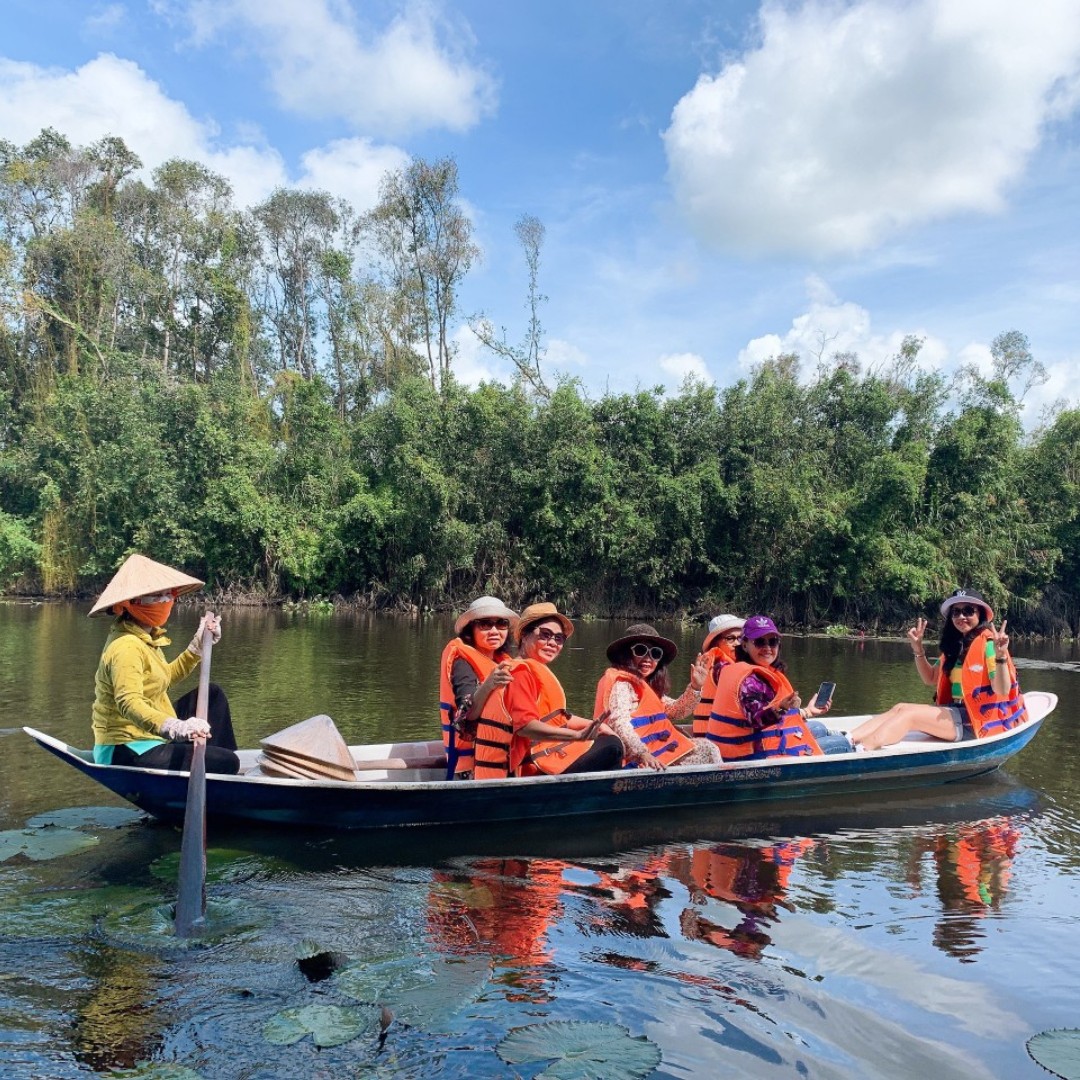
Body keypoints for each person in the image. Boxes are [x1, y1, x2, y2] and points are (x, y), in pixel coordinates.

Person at [89, 553, 239, 774]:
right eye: (155, 597)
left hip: (147, 732)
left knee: (213, 695)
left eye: (167, 595)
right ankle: (215, 766)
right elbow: (129, 703)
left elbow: (163, 679)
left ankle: (210, 769)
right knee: (228, 762)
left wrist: (196, 648)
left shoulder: (145, 638)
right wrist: (174, 727)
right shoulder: (126, 646)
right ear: (130, 604)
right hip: (128, 746)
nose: (164, 602)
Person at [849, 589, 1025, 751]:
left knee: (910, 715)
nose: (961, 616)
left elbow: (1002, 690)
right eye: (956, 612)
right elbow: (930, 678)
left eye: (968, 611)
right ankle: (848, 739)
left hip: (975, 720)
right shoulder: (956, 647)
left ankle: (862, 750)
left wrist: (1001, 655)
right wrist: (918, 649)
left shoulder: (989, 645)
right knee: (900, 707)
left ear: (981, 615)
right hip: (954, 712)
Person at [473, 602, 623, 778]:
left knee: (607, 739)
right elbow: (526, 727)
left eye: (559, 638)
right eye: (545, 635)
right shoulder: (519, 672)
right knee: (612, 747)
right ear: (524, 635)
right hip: (527, 766)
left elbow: (555, 717)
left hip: (540, 754)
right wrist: (576, 735)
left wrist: (595, 725)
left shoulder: (531, 670)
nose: (552, 643)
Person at [704, 615, 852, 759]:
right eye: (760, 642)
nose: (767, 648)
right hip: (753, 754)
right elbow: (755, 719)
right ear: (745, 645)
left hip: (750, 745)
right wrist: (781, 708)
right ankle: (857, 747)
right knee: (842, 744)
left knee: (818, 727)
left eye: (773, 642)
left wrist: (808, 711)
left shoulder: (751, 670)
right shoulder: (748, 680)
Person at [594, 623, 721, 769]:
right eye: (641, 650)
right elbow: (619, 723)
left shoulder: (646, 686)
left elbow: (677, 711)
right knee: (709, 751)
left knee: (709, 748)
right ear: (626, 654)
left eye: (655, 653)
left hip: (653, 750)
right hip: (632, 756)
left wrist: (695, 687)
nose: (648, 659)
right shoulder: (622, 684)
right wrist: (642, 753)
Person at [438, 596, 518, 779]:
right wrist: (489, 684)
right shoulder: (461, 662)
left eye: (501, 624)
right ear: (471, 629)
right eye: (485, 624)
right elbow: (465, 717)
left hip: (502, 756)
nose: (494, 631)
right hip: (473, 766)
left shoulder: (502, 661)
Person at [692, 614, 745, 739]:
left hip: (710, 735)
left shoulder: (717, 662)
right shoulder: (722, 667)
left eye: (741, 638)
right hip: (717, 741)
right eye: (730, 639)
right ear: (716, 642)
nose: (737, 643)